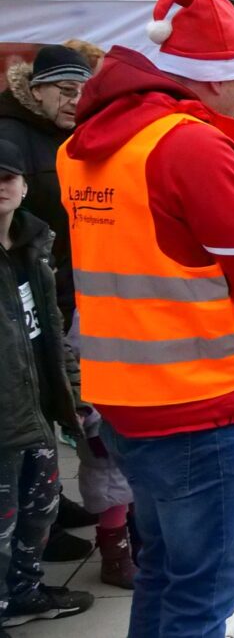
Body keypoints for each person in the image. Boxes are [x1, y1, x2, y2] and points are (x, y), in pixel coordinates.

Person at [56, 0, 234, 635]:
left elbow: (161, 248)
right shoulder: (190, 144)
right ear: (209, 78)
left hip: (125, 396)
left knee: (164, 574)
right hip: (199, 403)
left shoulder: (85, 146)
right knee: (202, 597)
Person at [0, 140, 95, 627]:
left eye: (7, 177)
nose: (1, 187)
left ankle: (24, 594)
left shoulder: (34, 247)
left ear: (23, 186)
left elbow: (52, 330)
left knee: (39, 511)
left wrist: (72, 391)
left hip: (37, 406)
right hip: (5, 415)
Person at [0, 44, 91, 328]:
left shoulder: (80, 134)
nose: (77, 101)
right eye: (67, 90)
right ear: (37, 90)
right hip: (27, 282)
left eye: (84, 92)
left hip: (71, 282)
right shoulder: (8, 134)